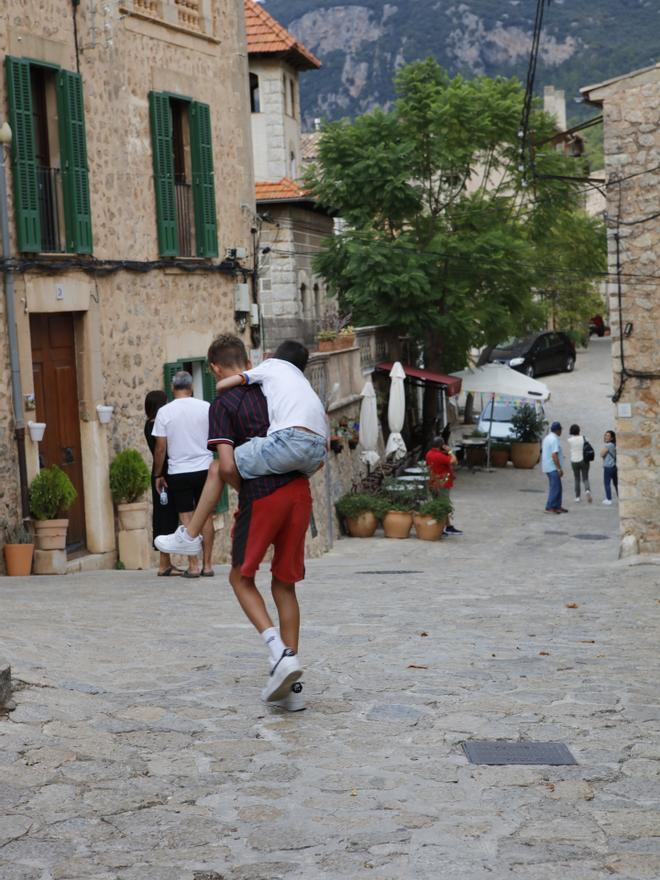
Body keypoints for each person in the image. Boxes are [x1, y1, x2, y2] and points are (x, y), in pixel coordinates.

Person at [158, 335, 313, 711]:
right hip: (299, 491)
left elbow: (226, 465)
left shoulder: (224, 402)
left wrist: (246, 491)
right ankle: (291, 691)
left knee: (240, 577)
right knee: (284, 584)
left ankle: (278, 653)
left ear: (213, 369)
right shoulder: (273, 389)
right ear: (250, 360)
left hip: (262, 495)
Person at [214, 339, 328, 480]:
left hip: (289, 441)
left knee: (223, 465)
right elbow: (325, 422)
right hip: (317, 452)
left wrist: (220, 390)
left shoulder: (272, 365)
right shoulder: (304, 382)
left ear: (275, 356)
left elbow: (234, 380)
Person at [151, 371, 215, 577]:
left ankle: (193, 565)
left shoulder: (164, 412)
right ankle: (207, 565)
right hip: (205, 468)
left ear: (172, 388)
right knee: (206, 515)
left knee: (187, 517)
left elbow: (160, 448)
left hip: (178, 471)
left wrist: (158, 473)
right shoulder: (206, 407)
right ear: (191, 388)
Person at [144, 390, 184, 576]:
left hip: (159, 473)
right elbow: (162, 450)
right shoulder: (156, 427)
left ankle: (165, 561)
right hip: (164, 474)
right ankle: (163, 563)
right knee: (167, 516)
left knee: (163, 515)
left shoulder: (148, 425)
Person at [425, 437, 462, 535]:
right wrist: (450, 452)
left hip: (433, 482)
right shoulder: (440, 455)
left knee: (439, 504)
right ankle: (439, 528)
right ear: (441, 445)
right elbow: (454, 461)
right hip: (442, 483)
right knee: (444, 506)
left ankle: (448, 526)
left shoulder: (429, 453)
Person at [542, 421, 567, 514]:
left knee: (558, 487)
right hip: (552, 467)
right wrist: (559, 468)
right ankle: (550, 506)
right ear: (557, 430)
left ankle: (557, 506)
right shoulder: (554, 439)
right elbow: (554, 455)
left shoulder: (548, 437)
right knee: (555, 487)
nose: (561, 432)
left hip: (547, 466)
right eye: (560, 429)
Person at [567, 423, 592, 504]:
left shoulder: (569, 440)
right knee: (585, 477)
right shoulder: (584, 438)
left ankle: (577, 497)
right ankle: (587, 491)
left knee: (577, 479)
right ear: (579, 430)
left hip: (574, 460)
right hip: (584, 460)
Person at [601, 429, 618, 505]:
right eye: (605, 435)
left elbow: (602, 454)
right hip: (614, 466)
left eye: (608, 436)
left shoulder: (608, 445)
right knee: (616, 483)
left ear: (612, 438)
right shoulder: (614, 445)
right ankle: (619, 497)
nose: (606, 437)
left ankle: (609, 499)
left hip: (608, 467)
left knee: (607, 483)